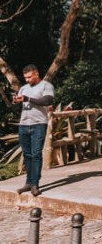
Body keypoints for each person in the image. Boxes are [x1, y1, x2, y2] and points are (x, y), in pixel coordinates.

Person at [13, 65, 54, 197]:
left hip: (39, 124)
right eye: (25, 77)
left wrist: (28, 99)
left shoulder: (46, 86)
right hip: (24, 124)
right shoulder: (23, 88)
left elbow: (47, 100)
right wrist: (16, 101)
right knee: (27, 155)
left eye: (29, 77)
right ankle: (28, 183)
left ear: (36, 74)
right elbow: (18, 105)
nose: (27, 80)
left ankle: (35, 184)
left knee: (36, 154)